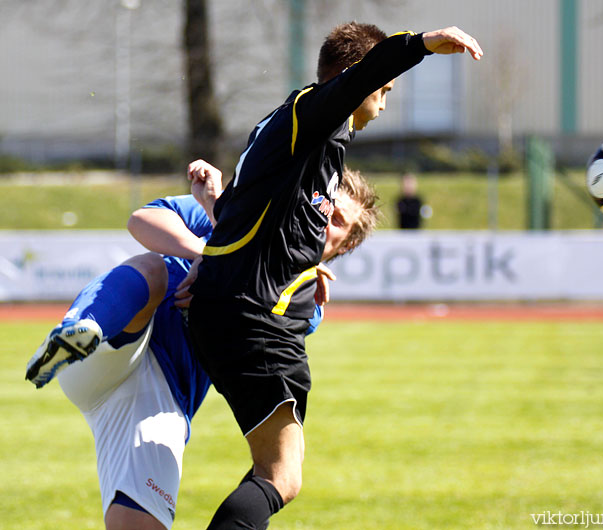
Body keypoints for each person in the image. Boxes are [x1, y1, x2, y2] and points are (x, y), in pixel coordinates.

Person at [186, 23, 483, 529]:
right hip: (257, 317)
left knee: (278, 472)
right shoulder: (313, 113)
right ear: (355, 79)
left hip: (242, 308)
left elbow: (248, 217)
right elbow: (359, 78)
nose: (383, 105)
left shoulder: (295, 130)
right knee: (280, 475)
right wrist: (424, 44)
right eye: (383, 91)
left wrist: (221, 208)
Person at [25, 160, 373, 529]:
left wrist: (219, 277)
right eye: (321, 208)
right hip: (118, 344)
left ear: (346, 244)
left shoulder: (304, 306)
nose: (322, 222)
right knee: (153, 270)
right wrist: (206, 253)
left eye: (337, 221)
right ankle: (81, 328)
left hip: (162, 404)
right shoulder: (240, 212)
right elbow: (141, 222)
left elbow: (243, 318)